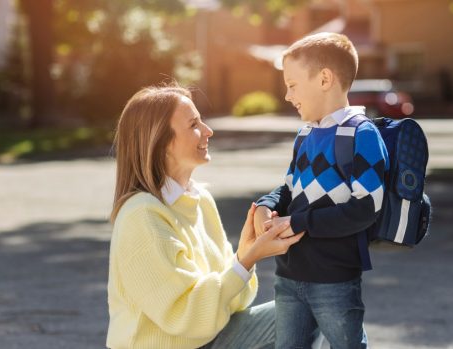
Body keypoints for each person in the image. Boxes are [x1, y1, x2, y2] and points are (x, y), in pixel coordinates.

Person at [106, 84, 304, 349]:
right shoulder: (142, 216)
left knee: (322, 312)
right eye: (194, 124)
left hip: (210, 340)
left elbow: (236, 303)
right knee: (312, 317)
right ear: (162, 143)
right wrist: (247, 259)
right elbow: (187, 319)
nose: (208, 131)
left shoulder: (199, 200)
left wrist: (242, 256)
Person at [253, 32, 389, 349]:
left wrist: (299, 222)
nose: (287, 95)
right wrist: (266, 204)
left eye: (293, 84)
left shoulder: (361, 134)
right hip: (288, 275)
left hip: (334, 279)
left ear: (325, 79)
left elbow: (366, 208)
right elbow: (288, 187)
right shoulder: (304, 135)